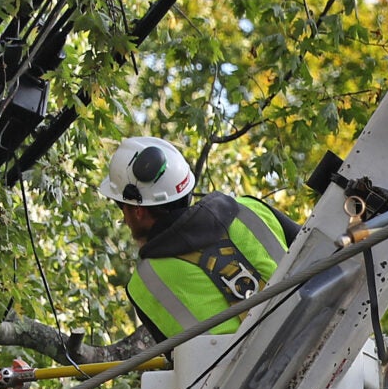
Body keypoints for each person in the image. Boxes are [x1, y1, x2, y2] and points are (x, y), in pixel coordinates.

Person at [100, 136, 290, 340]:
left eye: (122, 207)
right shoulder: (250, 209)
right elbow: (312, 246)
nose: (124, 219)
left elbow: (177, 356)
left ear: (138, 211)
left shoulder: (144, 285)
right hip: (312, 329)